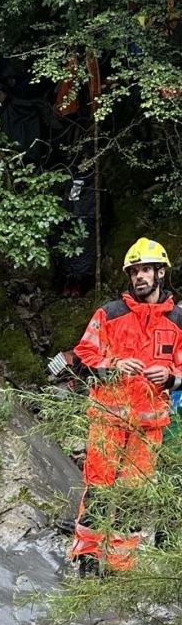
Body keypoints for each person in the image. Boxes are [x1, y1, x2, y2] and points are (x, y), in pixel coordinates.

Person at [67, 238, 182, 572]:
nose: (138, 277)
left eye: (145, 270)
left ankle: (120, 567)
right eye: (134, 272)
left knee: (134, 496)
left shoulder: (178, 320)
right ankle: (87, 560)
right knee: (99, 490)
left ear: (161, 273)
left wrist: (171, 378)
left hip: (149, 428)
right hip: (108, 421)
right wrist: (113, 365)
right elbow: (82, 358)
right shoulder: (110, 313)